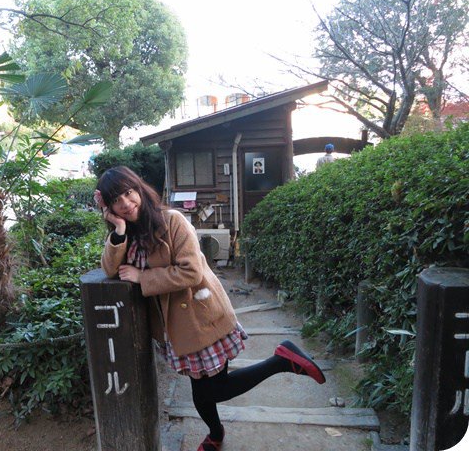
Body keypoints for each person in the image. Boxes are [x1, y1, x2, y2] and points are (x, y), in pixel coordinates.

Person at [95, 166, 326, 451]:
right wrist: (118, 230)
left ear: (139, 189)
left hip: (199, 317)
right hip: (175, 329)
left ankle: (281, 361)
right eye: (116, 200)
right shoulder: (127, 233)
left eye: (129, 193)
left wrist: (143, 277)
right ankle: (216, 434)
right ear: (109, 206)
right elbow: (109, 269)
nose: (126, 203)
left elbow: (191, 272)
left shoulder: (172, 221)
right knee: (201, 392)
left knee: (215, 389)